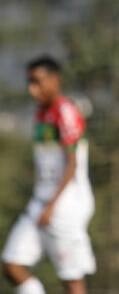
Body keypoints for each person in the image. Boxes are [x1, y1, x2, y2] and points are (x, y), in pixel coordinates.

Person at [2, 56, 96, 294]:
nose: (33, 89)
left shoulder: (65, 111)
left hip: (65, 205)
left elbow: (72, 164)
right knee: (12, 263)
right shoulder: (41, 113)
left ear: (55, 80)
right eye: (29, 83)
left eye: (37, 82)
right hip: (40, 202)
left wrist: (53, 205)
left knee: (71, 279)